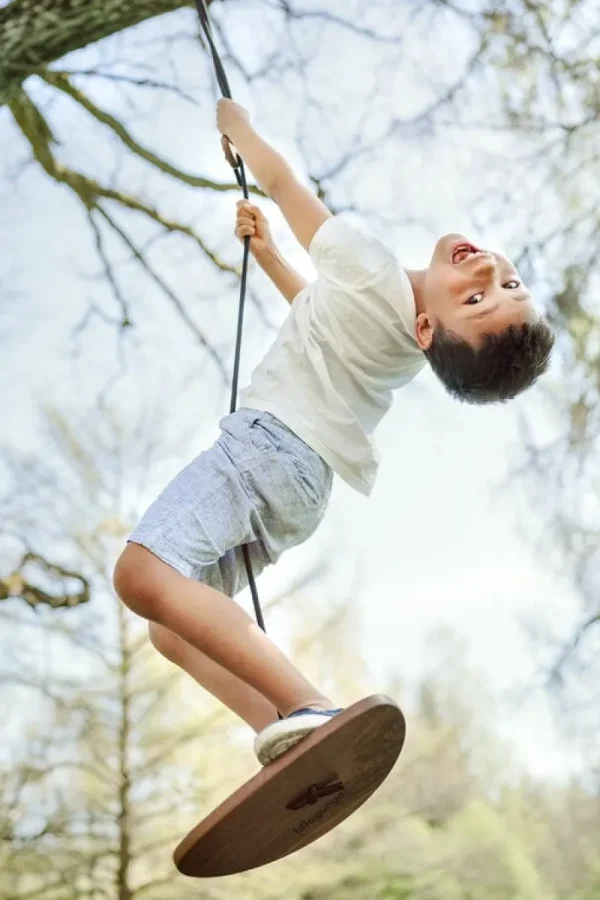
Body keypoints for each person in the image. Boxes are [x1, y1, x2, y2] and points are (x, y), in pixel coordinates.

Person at [113, 99, 554, 766]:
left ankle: (309, 705)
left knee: (142, 573)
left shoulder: (373, 269)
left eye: (477, 296)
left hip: (268, 451)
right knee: (170, 628)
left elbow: (286, 186)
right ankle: (289, 734)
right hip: (302, 488)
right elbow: (317, 308)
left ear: (433, 330)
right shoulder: (403, 340)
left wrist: (239, 131)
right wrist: (264, 253)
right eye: (507, 281)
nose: (488, 271)